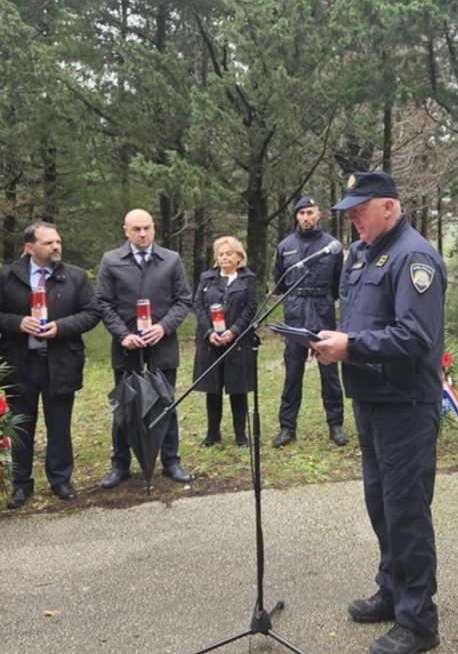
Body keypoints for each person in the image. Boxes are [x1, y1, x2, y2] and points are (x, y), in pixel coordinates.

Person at [312, 170, 446, 654]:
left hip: (406, 407)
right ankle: (392, 589)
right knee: (381, 506)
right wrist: (336, 343)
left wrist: (352, 346)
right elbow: (363, 322)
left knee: (407, 511)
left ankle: (418, 620)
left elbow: (415, 336)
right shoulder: (365, 253)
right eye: (348, 212)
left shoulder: (414, 256)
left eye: (359, 209)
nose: (352, 219)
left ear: (389, 206)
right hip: (371, 399)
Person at [0, 221, 99, 508]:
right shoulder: (7, 277)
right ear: (29, 247)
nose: (56, 247)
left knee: (59, 425)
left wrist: (61, 327)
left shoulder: (74, 276)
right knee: (21, 426)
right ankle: (21, 485)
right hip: (20, 362)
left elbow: (91, 312)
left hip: (60, 361)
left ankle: (61, 479)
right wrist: (17, 322)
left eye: (58, 242)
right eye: (49, 243)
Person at [96, 208, 192, 487]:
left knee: (166, 403)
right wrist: (122, 334)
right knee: (124, 405)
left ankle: (171, 460)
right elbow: (103, 302)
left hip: (161, 345)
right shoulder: (111, 260)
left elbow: (183, 300)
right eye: (136, 229)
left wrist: (163, 327)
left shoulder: (171, 260)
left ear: (154, 228)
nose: (142, 234)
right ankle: (121, 464)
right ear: (125, 230)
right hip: (127, 347)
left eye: (147, 228)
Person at [272, 195, 348, 448]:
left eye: (310, 212)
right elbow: (280, 283)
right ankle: (287, 427)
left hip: (322, 312)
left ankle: (335, 424)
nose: (306, 217)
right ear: (296, 216)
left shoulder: (331, 246)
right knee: (293, 372)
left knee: (329, 373)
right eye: (302, 213)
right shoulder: (285, 246)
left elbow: (339, 284)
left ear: (319, 215)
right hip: (295, 313)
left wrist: (324, 301)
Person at [192, 236, 258, 448]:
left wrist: (235, 331)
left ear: (239, 256)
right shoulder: (207, 278)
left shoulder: (248, 279)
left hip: (237, 343)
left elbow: (250, 308)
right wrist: (209, 331)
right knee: (213, 389)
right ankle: (213, 433)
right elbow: (199, 306)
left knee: (237, 389)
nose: (224, 258)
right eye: (221, 254)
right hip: (210, 342)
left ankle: (240, 434)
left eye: (229, 253)